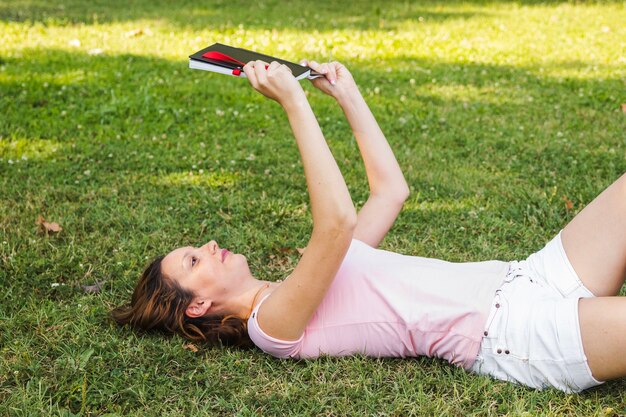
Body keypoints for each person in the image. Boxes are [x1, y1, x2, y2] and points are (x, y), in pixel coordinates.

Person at [111, 59, 626, 393]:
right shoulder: (271, 326)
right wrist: (293, 102)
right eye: (194, 260)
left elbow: (390, 191)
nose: (210, 245)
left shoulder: (300, 282)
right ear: (197, 305)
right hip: (516, 334)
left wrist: (346, 95)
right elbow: (337, 220)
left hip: (526, 277)